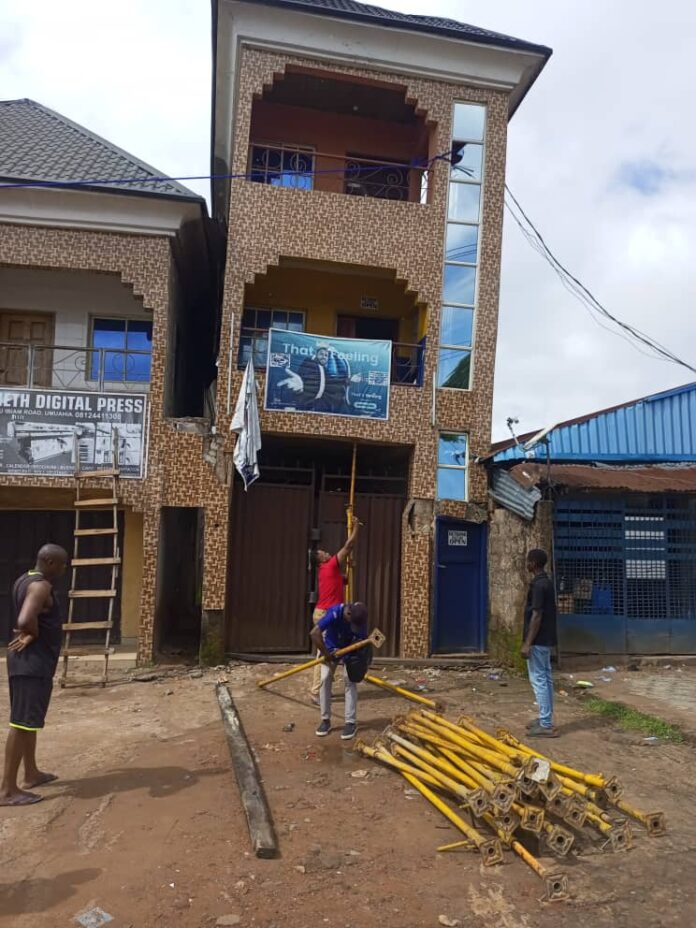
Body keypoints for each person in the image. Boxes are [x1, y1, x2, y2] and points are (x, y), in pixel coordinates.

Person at [1, 544, 69, 806]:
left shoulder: (24, 579)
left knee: (29, 722)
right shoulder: (41, 587)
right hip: (32, 664)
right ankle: (7, 790)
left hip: (28, 664)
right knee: (20, 723)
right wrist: (32, 633)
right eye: (62, 564)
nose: (64, 569)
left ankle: (31, 773)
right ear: (50, 562)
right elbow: (25, 618)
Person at [309, 520, 361, 703]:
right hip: (325, 614)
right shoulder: (329, 565)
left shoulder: (329, 570)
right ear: (320, 559)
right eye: (322, 552)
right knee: (322, 653)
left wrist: (350, 569)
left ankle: (324, 688)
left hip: (330, 612)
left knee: (332, 649)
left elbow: (342, 581)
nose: (325, 551)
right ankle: (316, 692)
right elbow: (349, 545)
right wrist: (356, 527)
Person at [310, 602, 368, 741]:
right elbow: (314, 633)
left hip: (350, 650)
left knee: (350, 681)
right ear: (348, 614)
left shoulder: (360, 618)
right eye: (351, 623)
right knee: (324, 679)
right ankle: (325, 720)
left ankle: (350, 722)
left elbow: (362, 640)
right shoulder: (334, 613)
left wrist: (356, 655)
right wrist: (326, 654)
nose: (354, 626)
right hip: (330, 648)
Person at [521, 548, 558, 738]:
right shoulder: (547, 583)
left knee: (539, 680)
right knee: (546, 678)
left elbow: (537, 614)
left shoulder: (538, 586)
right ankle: (546, 718)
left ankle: (545, 724)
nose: (526, 564)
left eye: (528, 561)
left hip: (538, 640)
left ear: (533, 564)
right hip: (546, 639)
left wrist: (528, 643)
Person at [277, 341, 361, 415]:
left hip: (320, 406)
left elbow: (333, 381)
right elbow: (301, 378)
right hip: (307, 405)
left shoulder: (324, 370)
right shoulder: (309, 363)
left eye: (326, 355)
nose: (324, 357)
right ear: (316, 355)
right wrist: (300, 387)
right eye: (321, 354)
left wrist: (349, 380)